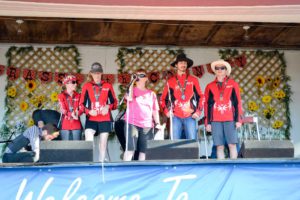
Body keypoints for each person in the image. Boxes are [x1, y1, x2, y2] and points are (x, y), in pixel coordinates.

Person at [204, 59, 243, 159]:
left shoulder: (233, 84)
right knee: (219, 146)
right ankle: (221, 169)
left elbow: (237, 103)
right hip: (215, 120)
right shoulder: (209, 86)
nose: (219, 70)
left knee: (232, 145)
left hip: (230, 119)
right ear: (215, 71)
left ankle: (234, 167)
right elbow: (207, 105)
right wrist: (207, 123)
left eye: (222, 68)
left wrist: (238, 120)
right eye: (217, 68)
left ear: (226, 71)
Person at [79, 62, 118, 162]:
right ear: (91, 74)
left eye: (99, 73)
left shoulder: (108, 85)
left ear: (101, 74)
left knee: (103, 143)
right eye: (95, 73)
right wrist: (89, 111)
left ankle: (101, 165)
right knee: (88, 138)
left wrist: (107, 107)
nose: (97, 75)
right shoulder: (87, 86)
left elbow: (115, 103)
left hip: (104, 119)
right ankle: (89, 163)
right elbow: (81, 105)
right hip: (91, 118)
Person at [160, 53, 204, 140]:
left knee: (192, 142)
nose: (183, 64)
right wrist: (166, 111)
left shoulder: (193, 79)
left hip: (190, 116)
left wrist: (198, 112)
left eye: (185, 63)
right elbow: (162, 99)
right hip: (175, 116)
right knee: (175, 143)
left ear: (187, 65)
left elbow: (201, 96)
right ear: (176, 65)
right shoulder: (170, 81)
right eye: (180, 63)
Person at [123, 69, 162, 161]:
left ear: (146, 79)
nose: (140, 77)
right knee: (130, 150)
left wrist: (157, 123)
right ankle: (124, 171)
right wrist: (132, 82)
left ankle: (141, 172)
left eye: (142, 75)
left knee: (144, 151)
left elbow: (155, 110)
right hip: (132, 123)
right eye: (138, 75)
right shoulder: (132, 90)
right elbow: (129, 98)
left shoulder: (151, 93)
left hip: (147, 125)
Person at [58, 75, 82, 140]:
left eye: (76, 82)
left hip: (77, 124)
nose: (76, 84)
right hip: (65, 125)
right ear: (67, 84)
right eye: (73, 82)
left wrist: (78, 113)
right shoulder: (61, 95)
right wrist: (71, 114)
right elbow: (63, 109)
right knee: (66, 148)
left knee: (77, 147)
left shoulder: (79, 95)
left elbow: (82, 108)